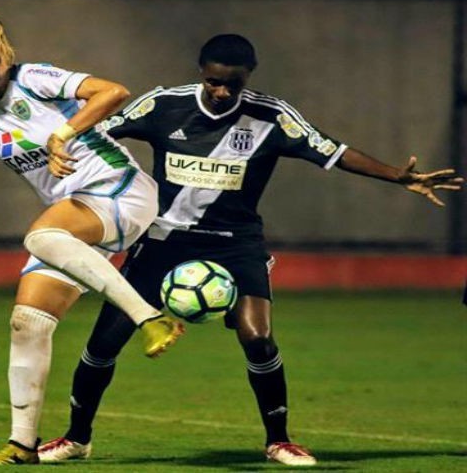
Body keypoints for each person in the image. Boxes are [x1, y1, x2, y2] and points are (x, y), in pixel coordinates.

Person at [35, 34, 465, 467]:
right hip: (165, 238)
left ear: (248, 77)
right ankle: (77, 437)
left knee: (258, 338)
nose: (222, 92)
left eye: (232, 84)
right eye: (213, 82)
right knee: (106, 339)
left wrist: (399, 177)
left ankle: (278, 440)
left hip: (237, 243)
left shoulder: (273, 117)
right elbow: (86, 129)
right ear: (201, 72)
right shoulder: (164, 105)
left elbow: (333, 151)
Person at [0, 0, 185, 465]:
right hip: (80, 214)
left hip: (118, 191)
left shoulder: (35, 77)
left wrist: (63, 135)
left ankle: (148, 317)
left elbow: (113, 92)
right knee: (28, 322)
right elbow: (31, 138)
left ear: (7, 53)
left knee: (40, 237)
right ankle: (22, 444)